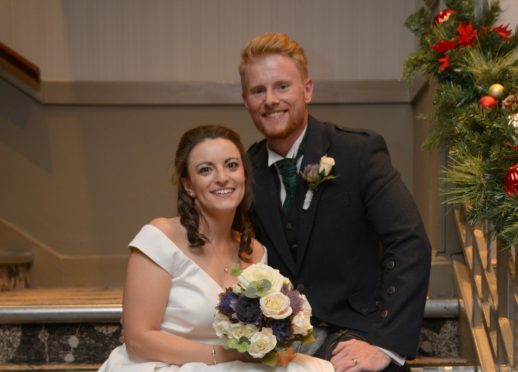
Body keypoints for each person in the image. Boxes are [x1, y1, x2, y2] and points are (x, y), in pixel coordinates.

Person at [240, 32, 432, 372]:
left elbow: (409, 243)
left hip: (356, 330)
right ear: (246, 100)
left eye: (282, 86)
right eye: (258, 90)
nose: (270, 99)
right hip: (276, 343)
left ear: (308, 90)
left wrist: (384, 343)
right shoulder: (243, 171)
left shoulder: (357, 152)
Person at [99, 125, 334, 371]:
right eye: (205, 170)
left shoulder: (255, 252)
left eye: (231, 165)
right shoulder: (161, 237)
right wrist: (222, 355)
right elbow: (138, 340)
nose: (222, 177)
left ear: (244, 174)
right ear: (188, 186)